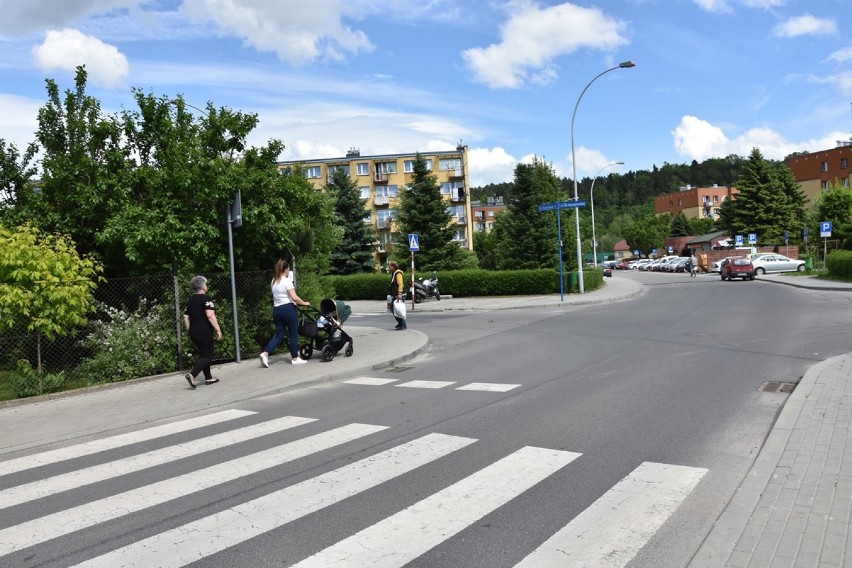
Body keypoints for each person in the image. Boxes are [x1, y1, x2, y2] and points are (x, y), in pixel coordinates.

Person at [259, 259, 311, 368]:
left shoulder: (274, 280)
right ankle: (295, 358)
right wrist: (304, 303)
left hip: (277, 310)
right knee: (293, 334)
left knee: (279, 335)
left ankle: (265, 354)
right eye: (288, 269)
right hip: (288, 309)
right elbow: (294, 297)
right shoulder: (286, 281)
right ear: (286, 269)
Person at [183, 275, 223, 389]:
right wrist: (218, 330)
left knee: (204, 354)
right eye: (206, 284)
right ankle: (192, 375)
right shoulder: (206, 298)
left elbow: (185, 317)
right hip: (204, 331)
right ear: (203, 287)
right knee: (208, 356)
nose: (207, 286)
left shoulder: (191, 300)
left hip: (193, 332)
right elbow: (210, 315)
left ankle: (208, 377)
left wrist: (190, 329)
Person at [388, 260, 407, 330]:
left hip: (399, 294)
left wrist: (399, 293)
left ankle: (403, 324)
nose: (389, 268)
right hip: (396, 294)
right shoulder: (394, 273)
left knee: (398, 310)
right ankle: (400, 323)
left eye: (389, 266)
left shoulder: (398, 273)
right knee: (395, 309)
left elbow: (400, 284)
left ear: (393, 266)